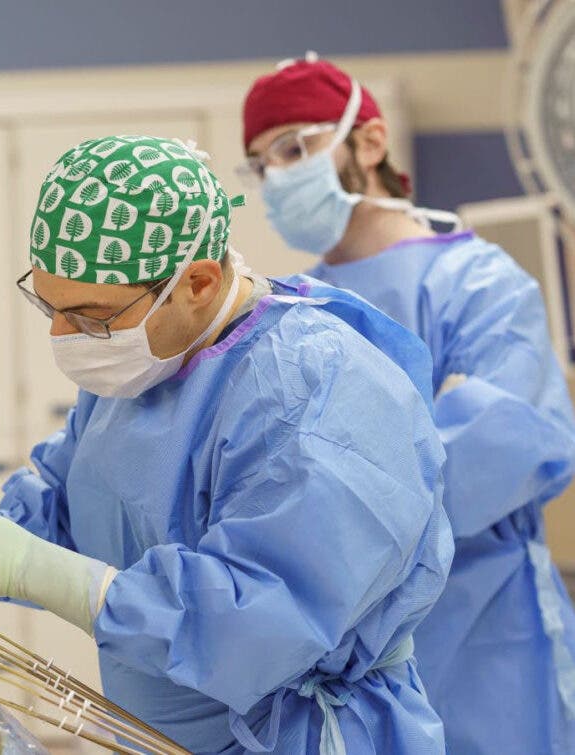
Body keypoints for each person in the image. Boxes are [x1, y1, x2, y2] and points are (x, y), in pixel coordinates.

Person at [0, 135, 455, 754]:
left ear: (197, 281)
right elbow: (75, 505)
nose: (64, 337)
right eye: (49, 307)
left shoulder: (316, 392)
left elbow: (260, 625)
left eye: (90, 317)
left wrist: (36, 570)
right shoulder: (143, 361)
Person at [242, 54, 575, 754]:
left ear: (368, 142)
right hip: (348, 657)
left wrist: (340, 514)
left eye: (294, 147)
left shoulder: (474, 281)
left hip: (486, 637)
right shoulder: (294, 307)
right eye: (259, 162)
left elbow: (513, 437)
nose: (276, 175)